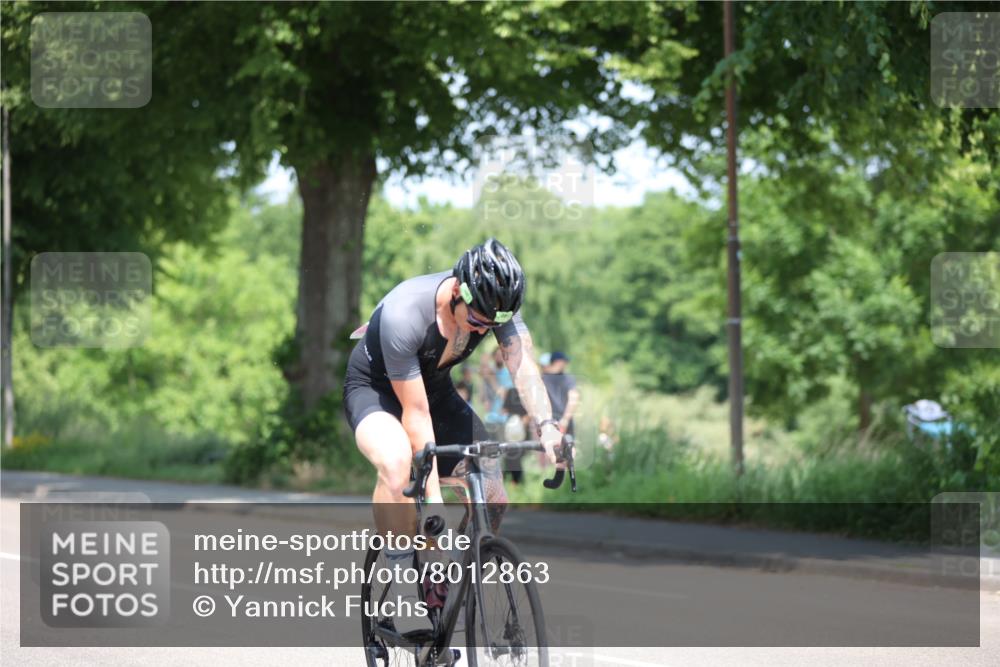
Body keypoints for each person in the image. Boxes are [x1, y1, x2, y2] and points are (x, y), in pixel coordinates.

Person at [342, 238, 562, 596]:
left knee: (493, 495)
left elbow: (522, 367)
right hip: (376, 391)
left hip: (434, 390)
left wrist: (548, 426)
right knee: (399, 465)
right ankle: (401, 570)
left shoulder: (495, 304)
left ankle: (450, 583)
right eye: (476, 319)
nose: (481, 329)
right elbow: (415, 415)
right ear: (459, 291)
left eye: (491, 324)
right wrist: (433, 503)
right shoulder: (405, 314)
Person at [542, 351, 580, 437]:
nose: (566, 364)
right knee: (566, 447)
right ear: (558, 362)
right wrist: (565, 419)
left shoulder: (542, 379)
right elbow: (574, 398)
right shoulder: (568, 379)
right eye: (564, 362)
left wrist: (565, 419)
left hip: (552, 422)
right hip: (553, 421)